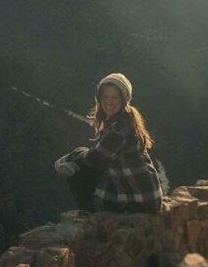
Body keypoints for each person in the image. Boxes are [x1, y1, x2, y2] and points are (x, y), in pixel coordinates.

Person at [54, 72, 164, 213]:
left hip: (140, 201)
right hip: (147, 196)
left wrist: (73, 158)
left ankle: (90, 215)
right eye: (105, 97)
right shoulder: (128, 119)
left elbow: (94, 160)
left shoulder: (119, 128)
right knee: (80, 158)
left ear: (123, 99)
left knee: (76, 174)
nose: (108, 102)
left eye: (114, 97)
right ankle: (68, 163)